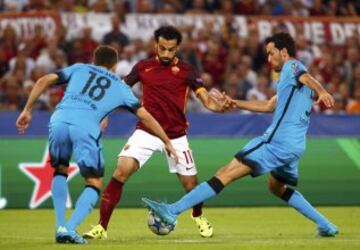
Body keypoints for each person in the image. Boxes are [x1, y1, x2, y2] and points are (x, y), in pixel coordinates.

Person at [142, 32, 339, 237]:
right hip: (295, 147)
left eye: (271, 54)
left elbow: (307, 77)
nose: (269, 59)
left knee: (224, 173)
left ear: (283, 52)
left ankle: (171, 211)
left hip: (275, 142)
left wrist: (322, 91)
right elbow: (269, 105)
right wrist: (235, 103)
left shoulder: (292, 66)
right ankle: (326, 225)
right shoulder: (291, 83)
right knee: (276, 187)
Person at [16, 45, 178, 244]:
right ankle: (69, 228)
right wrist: (166, 141)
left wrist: (27, 110)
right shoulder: (120, 87)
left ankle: (60, 226)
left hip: (58, 120)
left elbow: (44, 80)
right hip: (85, 126)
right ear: (114, 65)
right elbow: (146, 117)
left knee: (59, 170)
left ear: (94, 59)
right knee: (93, 183)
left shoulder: (79, 68)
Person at [83, 25, 230, 240]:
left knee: (192, 186)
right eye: (163, 48)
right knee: (121, 171)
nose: (167, 54)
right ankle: (101, 227)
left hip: (176, 136)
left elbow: (205, 97)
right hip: (147, 132)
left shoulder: (188, 70)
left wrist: (218, 107)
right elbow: (119, 91)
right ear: (156, 45)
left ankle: (198, 216)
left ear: (177, 48)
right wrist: (104, 114)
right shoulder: (143, 67)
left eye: (171, 49)